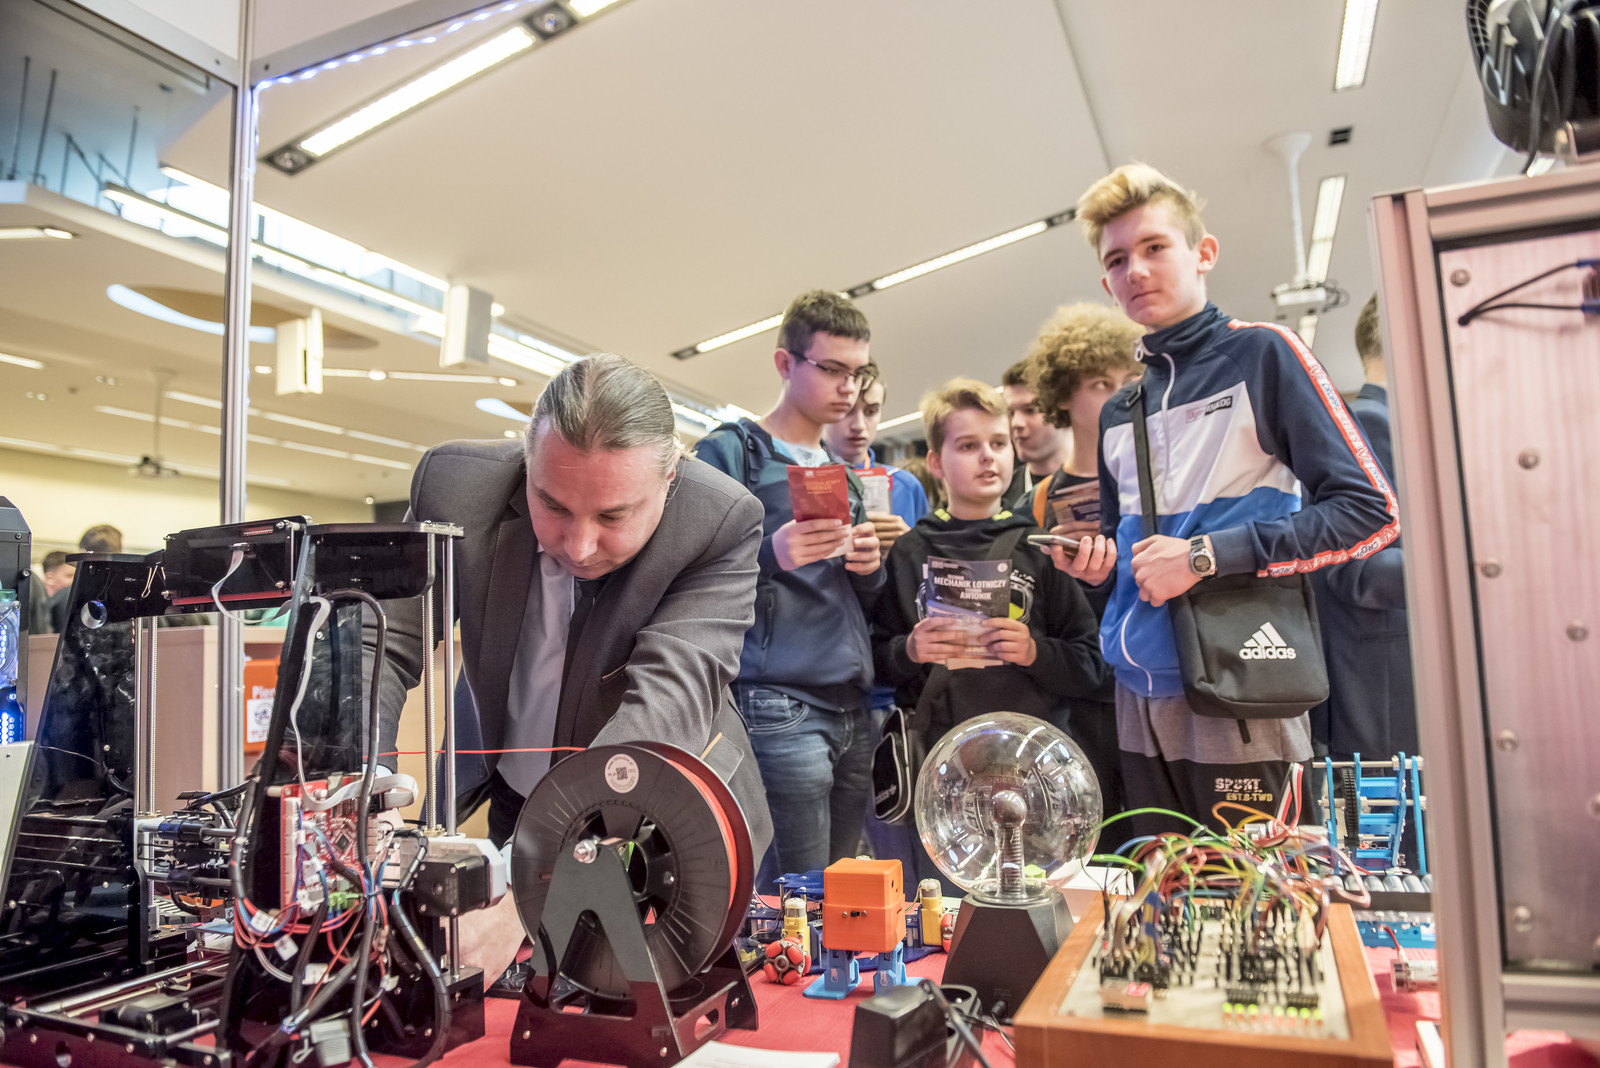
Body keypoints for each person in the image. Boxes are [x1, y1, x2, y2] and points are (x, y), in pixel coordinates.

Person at [374, 353, 773, 985]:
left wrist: (525, 891)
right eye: (553, 505)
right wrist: (364, 789)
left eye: (613, 516)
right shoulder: (454, 488)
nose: (579, 546)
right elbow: (381, 638)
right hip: (521, 799)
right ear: (527, 461)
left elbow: (663, 707)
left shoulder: (717, 521)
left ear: (670, 477)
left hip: (663, 816)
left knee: (632, 992)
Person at [1057, 163, 1399, 837]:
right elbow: (1132, 560)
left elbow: (1369, 514)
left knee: (1258, 895)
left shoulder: (1264, 355)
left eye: (1155, 247)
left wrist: (1205, 556)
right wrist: (1097, 569)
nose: (1136, 270)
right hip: (1136, 692)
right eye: (1118, 260)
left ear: (1203, 253)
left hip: (1243, 684)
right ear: (1106, 283)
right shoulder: (1122, 411)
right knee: (1162, 894)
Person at [871, 379, 1106, 881]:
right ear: (936, 462)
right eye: (968, 445)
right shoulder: (910, 551)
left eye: (998, 443)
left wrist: (1034, 652)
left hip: (1035, 771)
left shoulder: (1039, 549)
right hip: (944, 772)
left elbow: (1090, 666)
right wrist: (911, 649)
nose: (987, 457)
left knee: (1036, 902)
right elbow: (874, 661)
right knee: (947, 907)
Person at [694, 289, 884, 879]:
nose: (849, 388)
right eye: (833, 369)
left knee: (844, 891)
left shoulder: (843, 474)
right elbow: (686, 571)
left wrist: (870, 568)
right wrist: (769, 554)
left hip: (851, 704)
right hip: (777, 701)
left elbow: (861, 603)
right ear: (785, 363)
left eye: (859, 373)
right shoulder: (731, 452)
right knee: (796, 896)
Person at [1022, 303, 1147, 819]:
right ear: (1062, 395)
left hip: (1154, 688)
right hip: (1076, 707)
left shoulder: (1156, 491)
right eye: (1100, 383)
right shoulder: (1035, 504)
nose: (1119, 394)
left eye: (1130, 379)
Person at [1310, 295, 1417, 761]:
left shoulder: (1390, 425)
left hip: (1388, 670)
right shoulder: (1371, 424)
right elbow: (1355, 566)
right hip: (1383, 679)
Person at [822, 369, 929, 551]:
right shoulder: (802, 482)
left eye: (871, 411)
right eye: (846, 410)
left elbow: (928, 563)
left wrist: (910, 545)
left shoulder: (906, 486)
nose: (859, 425)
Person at [1000, 359, 1071, 509]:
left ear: (1063, 409)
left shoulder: (1104, 482)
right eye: (1010, 413)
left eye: (1030, 410)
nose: (1016, 423)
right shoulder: (999, 496)